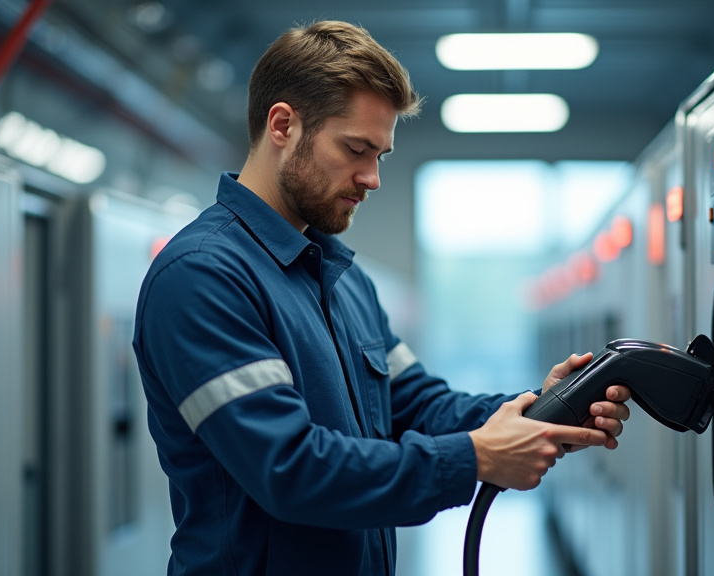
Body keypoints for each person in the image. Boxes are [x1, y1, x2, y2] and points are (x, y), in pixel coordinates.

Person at [132, 19, 631, 576]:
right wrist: (476, 458)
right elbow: (288, 470)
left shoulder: (344, 280)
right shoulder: (203, 276)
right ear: (283, 125)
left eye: (381, 155)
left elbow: (416, 405)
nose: (371, 178)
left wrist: (543, 410)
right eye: (355, 149)